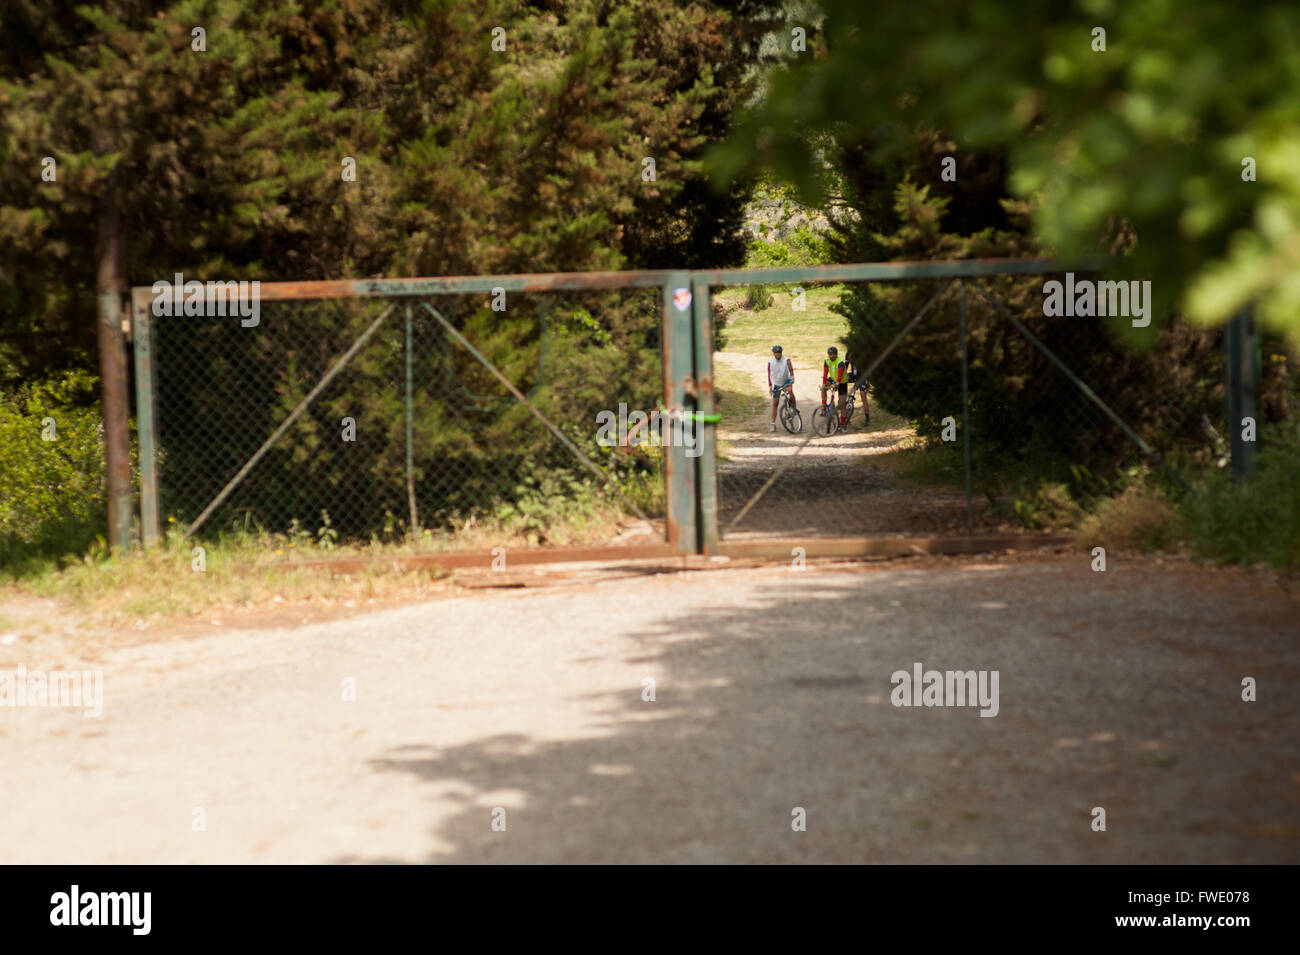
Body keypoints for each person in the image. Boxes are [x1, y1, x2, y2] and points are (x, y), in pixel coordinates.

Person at [767, 344, 796, 431]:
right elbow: (769, 374)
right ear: (773, 353)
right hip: (777, 383)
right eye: (776, 353)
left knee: (790, 391)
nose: (778, 354)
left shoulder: (786, 359)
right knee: (775, 403)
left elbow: (790, 369)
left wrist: (792, 377)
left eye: (779, 353)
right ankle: (772, 423)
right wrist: (770, 386)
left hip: (786, 380)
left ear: (781, 353)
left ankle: (794, 408)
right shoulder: (770, 362)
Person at [820, 346, 847, 422]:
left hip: (842, 382)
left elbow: (839, 377)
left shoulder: (840, 362)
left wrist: (836, 384)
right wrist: (824, 384)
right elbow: (825, 374)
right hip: (832, 379)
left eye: (833, 354)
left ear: (836, 354)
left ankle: (843, 423)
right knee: (823, 388)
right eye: (830, 354)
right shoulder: (827, 361)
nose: (832, 356)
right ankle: (824, 408)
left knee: (842, 404)